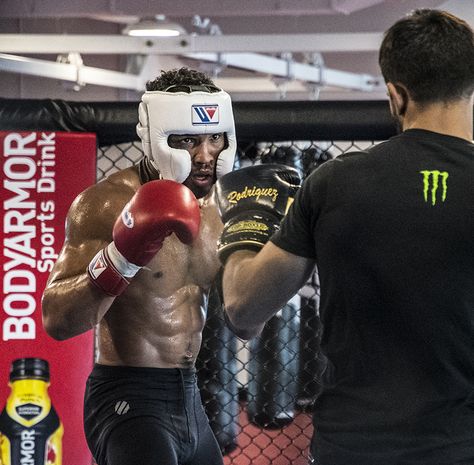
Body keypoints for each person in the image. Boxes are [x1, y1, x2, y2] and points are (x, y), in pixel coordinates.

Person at [214, 9, 474, 465]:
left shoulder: (335, 183)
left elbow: (243, 310)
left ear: (396, 95)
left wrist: (244, 228)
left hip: (354, 449)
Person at [41, 67, 237, 465]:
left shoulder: (225, 208)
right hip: (128, 397)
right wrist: (121, 257)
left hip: (191, 399)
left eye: (214, 138)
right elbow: (57, 320)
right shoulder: (106, 204)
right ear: (154, 138)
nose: (204, 156)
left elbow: (247, 322)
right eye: (187, 140)